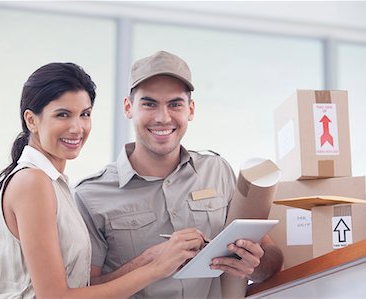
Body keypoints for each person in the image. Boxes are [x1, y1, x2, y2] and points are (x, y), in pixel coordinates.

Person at [0, 62, 206, 299]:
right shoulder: (33, 181)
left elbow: (78, 289)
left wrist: (148, 259)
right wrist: (157, 269)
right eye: (63, 114)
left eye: (84, 114)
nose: (77, 128)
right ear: (31, 120)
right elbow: (56, 297)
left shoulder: (51, 183)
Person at [74, 51, 284, 299]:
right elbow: (85, 292)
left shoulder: (217, 171)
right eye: (149, 104)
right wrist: (150, 262)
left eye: (175, 104)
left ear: (191, 110)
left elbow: (272, 256)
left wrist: (256, 264)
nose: (163, 117)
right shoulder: (90, 195)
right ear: (128, 108)